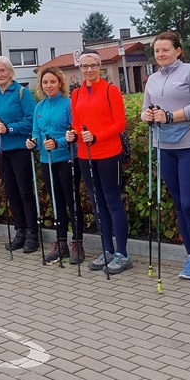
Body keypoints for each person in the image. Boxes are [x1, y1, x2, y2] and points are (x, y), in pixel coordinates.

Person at [141, 31, 190, 285]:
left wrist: (170, 116)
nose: (160, 55)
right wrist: (148, 116)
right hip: (164, 146)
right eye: (157, 51)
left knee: (189, 204)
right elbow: (144, 110)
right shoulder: (152, 78)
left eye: (166, 50)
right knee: (179, 205)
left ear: (178, 50)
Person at [65, 52, 131, 274]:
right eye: (85, 66)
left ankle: (122, 254)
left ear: (100, 67)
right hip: (85, 155)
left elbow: (120, 123)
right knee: (97, 203)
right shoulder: (76, 94)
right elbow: (77, 123)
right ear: (80, 68)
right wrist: (73, 134)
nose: (89, 70)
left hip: (109, 153)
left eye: (93, 66)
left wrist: (96, 136)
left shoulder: (111, 90)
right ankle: (107, 249)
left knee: (113, 201)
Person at [26, 66, 84, 264]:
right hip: (46, 160)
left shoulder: (68, 103)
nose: (49, 85)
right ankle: (61, 244)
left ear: (60, 83)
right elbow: (36, 131)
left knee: (72, 203)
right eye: (45, 82)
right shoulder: (39, 107)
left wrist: (59, 142)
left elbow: (73, 132)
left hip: (67, 159)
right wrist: (33, 142)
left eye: (52, 82)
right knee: (57, 204)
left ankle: (77, 243)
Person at [0, 56, 39, 253]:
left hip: (19, 148)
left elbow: (32, 120)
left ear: (10, 72)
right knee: (12, 193)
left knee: (25, 191)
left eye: (2, 71)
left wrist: (10, 128)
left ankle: (33, 233)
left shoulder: (22, 93)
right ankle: (20, 231)